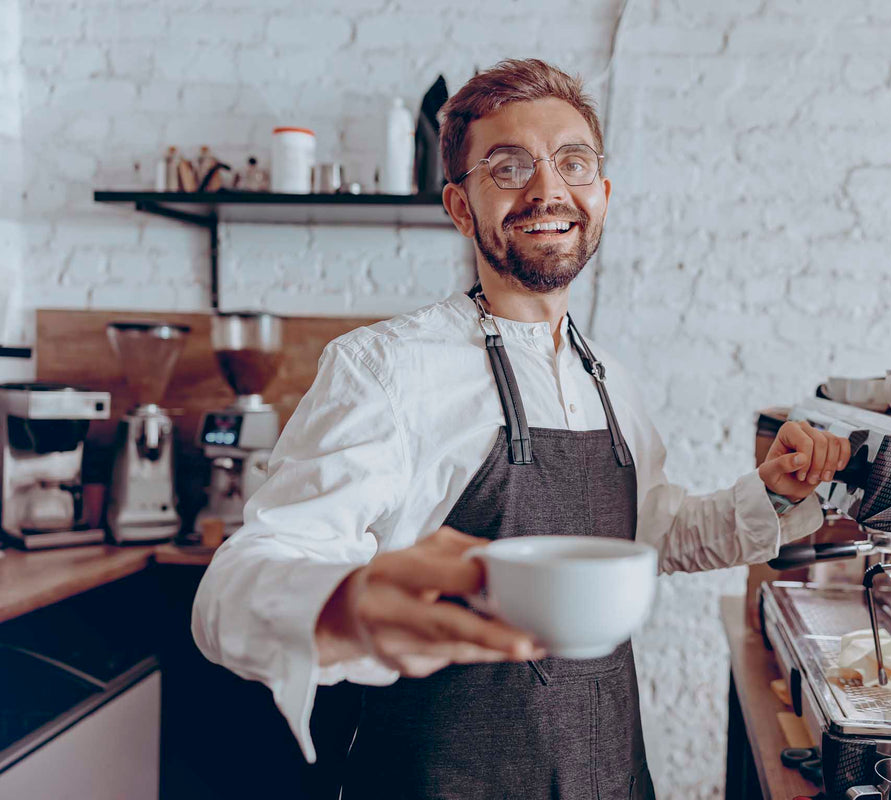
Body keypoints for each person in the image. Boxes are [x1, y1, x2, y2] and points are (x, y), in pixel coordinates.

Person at [193, 58, 850, 799]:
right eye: (508, 167)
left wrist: (770, 494)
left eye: (573, 162)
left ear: (601, 195)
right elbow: (236, 585)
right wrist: (344, 605)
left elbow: (652, 536)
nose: (548, 189)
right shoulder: (384, 370)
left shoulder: (611, 382)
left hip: (609, 777)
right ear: (460, 206)